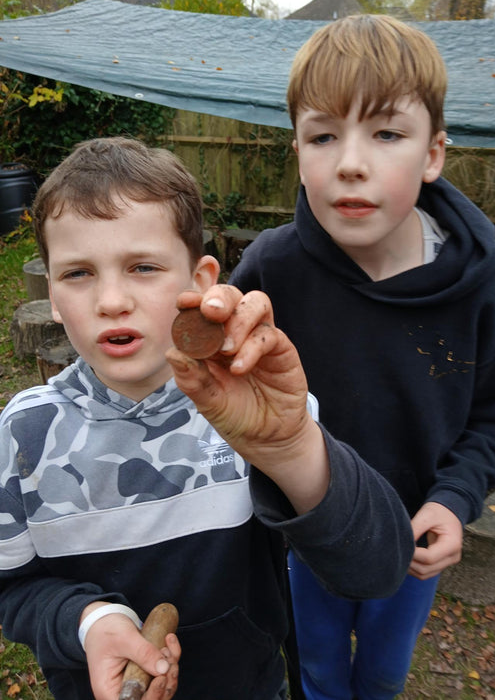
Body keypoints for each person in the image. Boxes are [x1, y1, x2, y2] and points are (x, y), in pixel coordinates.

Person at [0, 137, 415, 700]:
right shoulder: (23, 439)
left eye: (143, 266)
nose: (112, 300)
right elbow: (12, 592)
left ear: (200, 281)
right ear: (50, 292)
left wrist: (291, 448)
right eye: (78, 274)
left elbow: (377, 569)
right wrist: (89, 621)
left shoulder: (256, 411)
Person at [229, 14, 495, 700]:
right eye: (322, 135)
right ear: (297, 150)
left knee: (383, 675)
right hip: (309, 535)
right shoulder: (270, 269)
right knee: (316, 668)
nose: (350, 162)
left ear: (432, 155)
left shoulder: (481, 285)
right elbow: (213, 376)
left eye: (386, 133)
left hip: (411, 541)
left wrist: (455, 502)